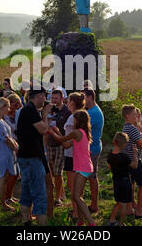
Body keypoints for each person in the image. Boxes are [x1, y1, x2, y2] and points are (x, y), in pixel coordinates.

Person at [49, 110, 96, 226]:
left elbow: (61, 140)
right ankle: (81, 221)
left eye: (74, 119)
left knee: (76, 196)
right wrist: (58, 133)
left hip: (83, 168)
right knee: (77, 196)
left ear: (78, 121)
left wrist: (53, 131)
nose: (72, 121)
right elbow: (65, 145)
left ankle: (91, 222)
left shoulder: (76, 132)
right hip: (82, 167)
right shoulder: (82, 133)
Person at [16, 86, 52, 226]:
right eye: (44, 96)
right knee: (39, 195)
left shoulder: (28, 109)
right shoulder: (30, 110)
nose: (45, 99)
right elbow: (43, 129)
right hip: (32, 159)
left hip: (25, 156)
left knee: (26, 193)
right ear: (38, 96)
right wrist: (45, 114)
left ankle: (27, 223)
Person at [119, 104, 142, 219]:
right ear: (127, 116)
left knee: (131, 183)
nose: (136, 116)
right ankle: (139, 210)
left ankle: (130, 207)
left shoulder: (126, 127)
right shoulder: (132, 129)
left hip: (127, 160)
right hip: (134, 160)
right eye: (134, 114)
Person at [0, 97, 20, 211]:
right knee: (3, 177)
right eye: (7, 107)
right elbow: (7, 139)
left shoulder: (1, 120)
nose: (8, 109)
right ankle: (3, 204)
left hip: (7, 151)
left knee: (7, 176)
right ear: (2, 107)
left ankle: (7, 198)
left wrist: (15, 147)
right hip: (3, 151)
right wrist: (17, 149)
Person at [45, 89, 72, 207]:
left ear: (62, 99)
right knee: (50, 170)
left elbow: (68, 129)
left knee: (58, 171)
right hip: (50, 143)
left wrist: (57, 130)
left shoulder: (66, 112)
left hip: (61, 144)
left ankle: (58, 198)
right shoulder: (48, 110)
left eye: (56, 98)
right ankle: (57, 193)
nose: (53, 101)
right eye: (52, 98)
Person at [62, 92, 86, 220]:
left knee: (73, 186)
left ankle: (76, 212)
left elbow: (68, 140)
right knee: (77, 186)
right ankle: (78, 211)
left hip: (71, 155)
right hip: (78, 155)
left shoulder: (72, 118)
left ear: (72, 103)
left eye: (68, 100)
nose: (66, 101)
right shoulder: (80, 115)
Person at [107, 132, 139, 226]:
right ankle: (121, 223)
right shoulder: (124, 157)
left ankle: (112, 220)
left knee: (118, 202)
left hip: (116, 181)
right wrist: (135, 154)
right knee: (124, 204)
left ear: (114, 142)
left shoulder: (110, 155)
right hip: (125, 182)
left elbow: (110, 167)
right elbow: (135, 166)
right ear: (124, 144)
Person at [82, 88, 104, 213]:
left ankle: (94, 205)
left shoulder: (93, 113)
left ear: (90, 97)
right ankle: (92, 203)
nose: (82, 99)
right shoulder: (93, 110)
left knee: (92, 177)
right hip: (94, 147)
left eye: (83, 96)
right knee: (91, 176)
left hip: (92, 149)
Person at [3, 93, 23, 204]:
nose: (15, 107)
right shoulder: (3, 115)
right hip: (8, 145)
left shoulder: (18, 114)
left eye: (17, 104)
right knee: (9, 172)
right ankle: (5, 196)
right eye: (14, 104)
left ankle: (9, 195)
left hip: (18, 143)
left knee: (16, 172)